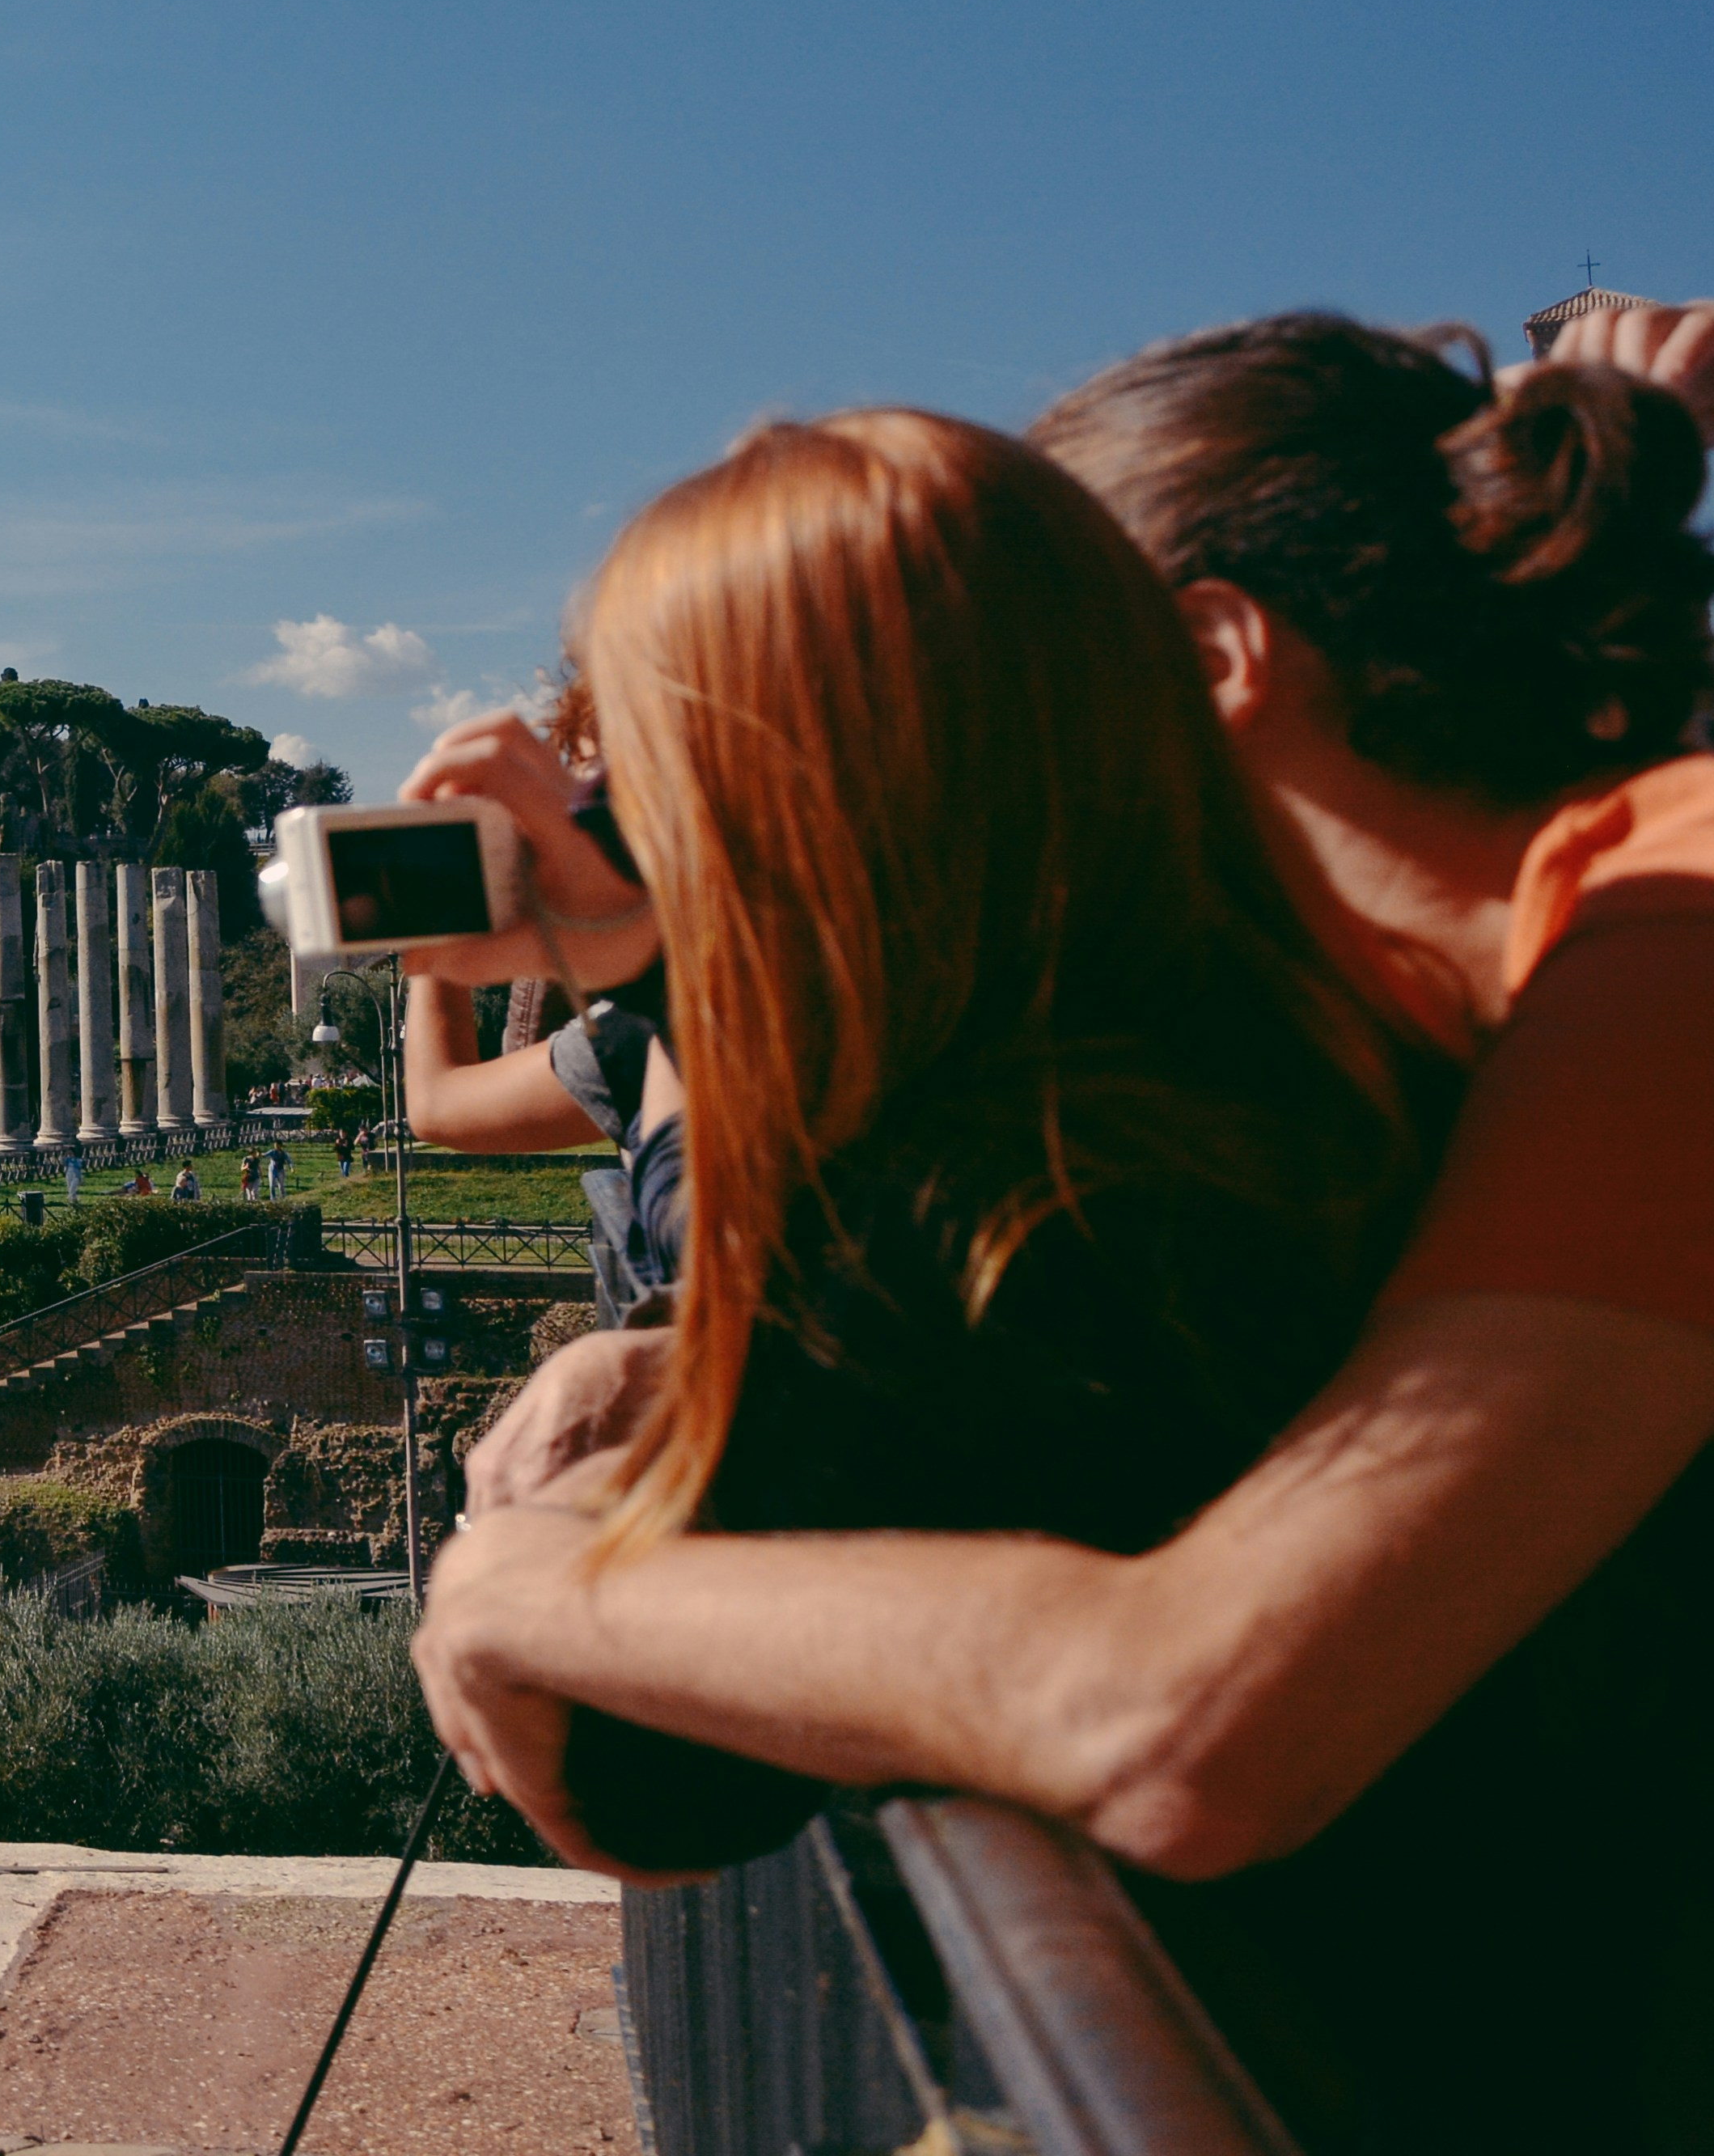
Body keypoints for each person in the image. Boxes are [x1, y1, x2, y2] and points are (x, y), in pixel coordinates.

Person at [413, 316, 1714, 2129]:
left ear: (1201, 657)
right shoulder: (1430, 1021)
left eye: (1021, 666)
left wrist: (543, 1591)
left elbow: (1200, 1714)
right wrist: (668, 1340)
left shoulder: (1674, 933)